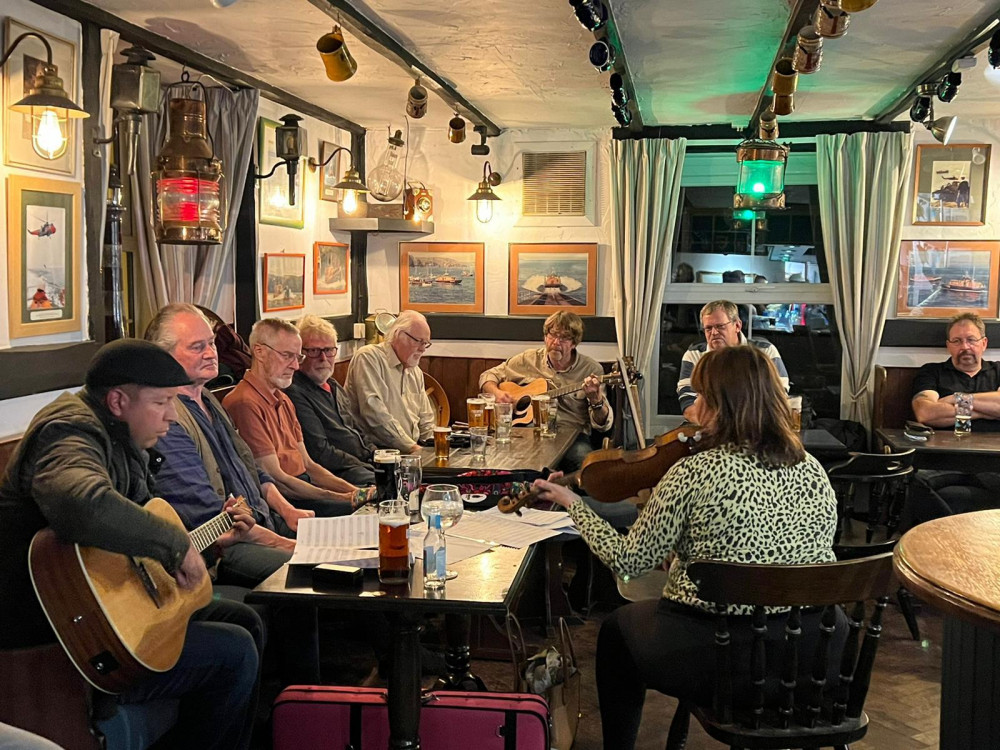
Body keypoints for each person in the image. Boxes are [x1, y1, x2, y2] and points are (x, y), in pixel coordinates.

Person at [531, 345, 840, 750]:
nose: (691, 412)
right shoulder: (811, 467)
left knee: (616, 633)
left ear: (721, 405)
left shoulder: (693, 471)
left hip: (721, 656)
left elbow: (629, 564)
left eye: (700, 400)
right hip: (811, 652)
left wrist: (575, 505)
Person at [0, 339, 260, 750]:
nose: (172, 417)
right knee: (236, 650)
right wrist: (176, 545)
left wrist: (207, 544)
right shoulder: (69, 430)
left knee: (245, 618)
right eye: (162, 403)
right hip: (64, 633)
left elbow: (127, 546)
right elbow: (77, 502)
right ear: (119, 400)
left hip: (102, 611)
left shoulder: (123, 436)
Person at [223, 318, 365, 516]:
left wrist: (355, 492)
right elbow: (277, 479)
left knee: (376, 503)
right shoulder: (245, 402)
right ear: (259, 352)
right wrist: (343, 498)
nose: (295, 366)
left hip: (304, 489)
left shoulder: (283, 397)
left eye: (297, 357)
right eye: (287, 356)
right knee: (370, 515)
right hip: (286, 504)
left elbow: (309, 465)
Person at [479, 311, 612, 472]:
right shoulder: (527, 360)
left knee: (585, 467)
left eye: (564, 338)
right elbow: (487, 376)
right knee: (499, 463)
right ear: (545, 337)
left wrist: (596, 400)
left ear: (574, 343)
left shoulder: (591, 369)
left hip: (570, 435)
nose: (556, 342)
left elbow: (603, 425)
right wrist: (498, 393)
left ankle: (570, 497)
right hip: (526, 431)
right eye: (552, 335)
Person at [908, 312, 1000, 523]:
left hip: (993, 463)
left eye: (971, 340)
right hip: (943, 460)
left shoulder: (998, 371)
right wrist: (987, 409)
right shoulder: (932, 373)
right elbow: (926, 413)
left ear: (983, 343)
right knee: (913, 483)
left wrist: (956, 400)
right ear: (948, 345)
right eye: (957, 341)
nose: (965, 347)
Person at [286, 315, 376, 486]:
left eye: (328, 350)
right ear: (299, 354)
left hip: (362, 464)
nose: (323, 358)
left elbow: (358, 431)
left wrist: (378, 456)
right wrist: (368, 466)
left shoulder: (333, 385)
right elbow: (320, 452)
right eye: (313, 351)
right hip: (335, 475)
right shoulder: (295, 392)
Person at [677, 299, 789, 423]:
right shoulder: (694, 355)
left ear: (737, 325)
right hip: (708, 429)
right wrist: (722, 427)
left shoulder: (765, 352)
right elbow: (688, 405)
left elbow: (779, 398)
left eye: (720, 326)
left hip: (756, 428)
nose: (714, 333)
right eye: (708, 328)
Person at [345, 310, 436, 453]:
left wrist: (434, 447)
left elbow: (426, 419)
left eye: (426, 343)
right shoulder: (369, 358)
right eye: (419, 341)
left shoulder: (415, 371)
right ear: (398, 335)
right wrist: (413, 449)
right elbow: (374, 413)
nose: (423, 348)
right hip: (376, 453)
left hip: (411, 452)